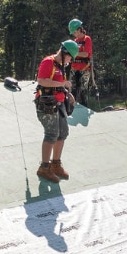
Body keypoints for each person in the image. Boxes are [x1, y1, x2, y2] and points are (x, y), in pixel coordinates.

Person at [34, 41, 78, 183]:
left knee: (63, 133)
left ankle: (56, 164)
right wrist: (62, 84)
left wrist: (66, 92)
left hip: (59, 103)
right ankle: (44, 167)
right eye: (70, 57)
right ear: (65, 53)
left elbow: (58, 83)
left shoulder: (60, 66)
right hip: (47, 103)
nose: (70, 60)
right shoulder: (48, 62)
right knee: (51, 134)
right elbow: (41, 80)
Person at [67, 19, 93, 106]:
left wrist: (75, 53)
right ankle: (71, 108)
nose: (74, 34)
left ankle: (84, 108)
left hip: (84, 69)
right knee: (72, 90)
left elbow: (86, 54)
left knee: (82, 91)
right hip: (74, 68)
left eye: (74, 32)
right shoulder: (74, 41)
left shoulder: (87, 39)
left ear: (79, 29)